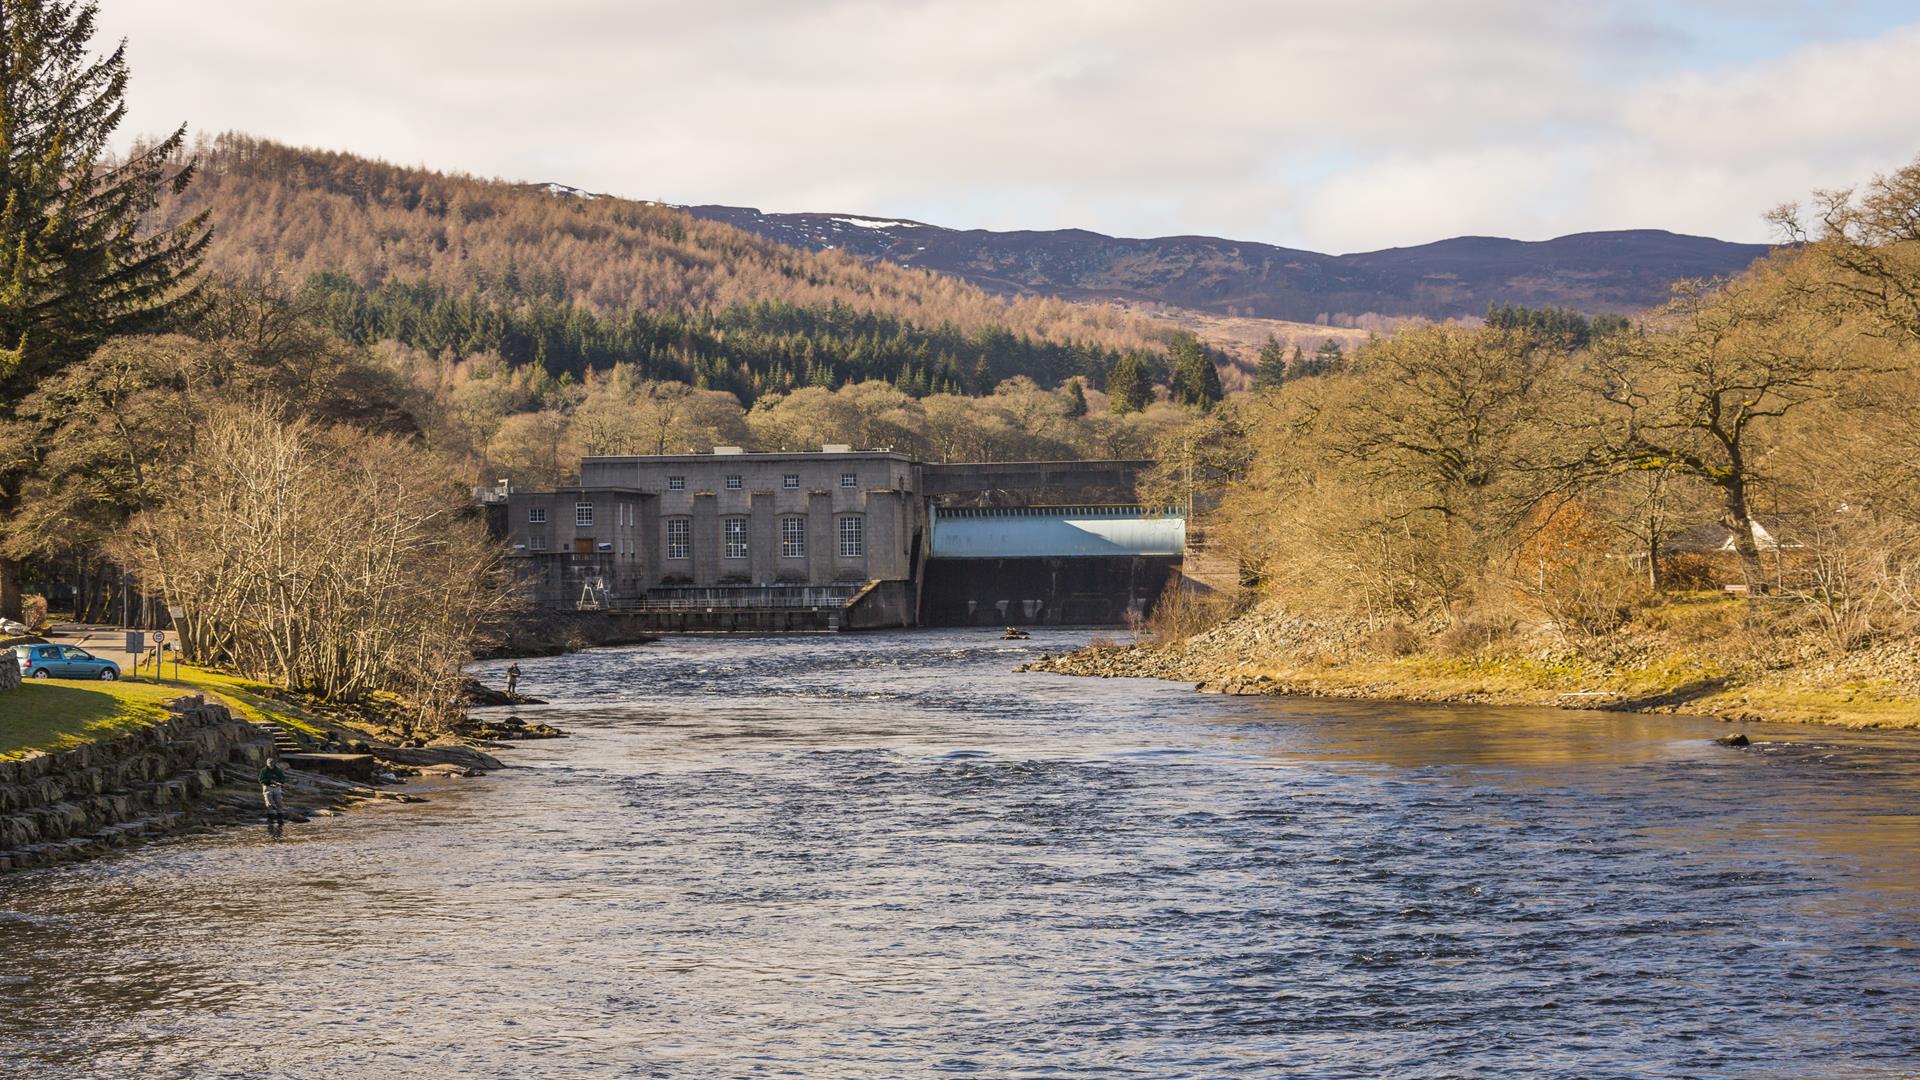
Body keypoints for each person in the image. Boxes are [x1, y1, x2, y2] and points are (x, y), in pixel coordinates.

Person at [259, 758, 288, 823]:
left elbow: (283, 778)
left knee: (279, 801)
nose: (271, 764)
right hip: (267, 787)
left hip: (277, 787)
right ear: (267, 763)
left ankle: (280, 816)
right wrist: (269, 782)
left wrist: (279, 782)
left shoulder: (278, 770)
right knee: (269, 802)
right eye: (269, 763)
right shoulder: (263, 770)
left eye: (272, 763)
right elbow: (261, 780)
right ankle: (270, 817)